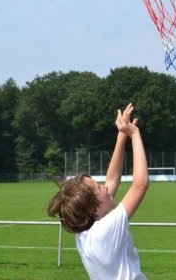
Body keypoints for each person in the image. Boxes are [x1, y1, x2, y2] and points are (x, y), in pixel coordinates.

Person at [47, 103, 150, 280]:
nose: (105, 186)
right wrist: (134, 134)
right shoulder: (104, 231)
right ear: (94, 208)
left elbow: (111, 179)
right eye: (98, 187)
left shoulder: (86, 233)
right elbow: (140, 185)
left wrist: (121, 136)